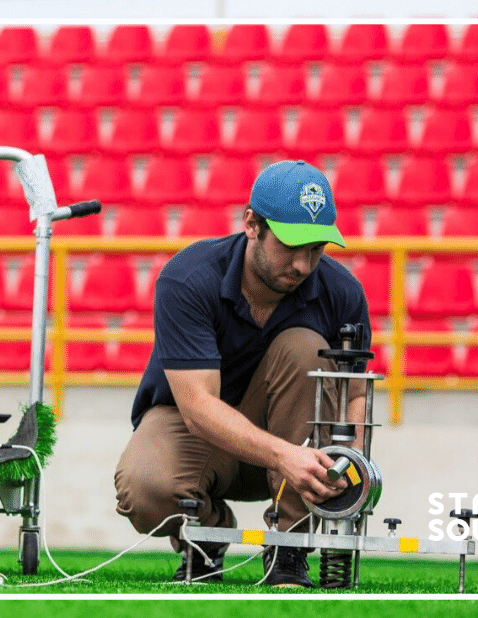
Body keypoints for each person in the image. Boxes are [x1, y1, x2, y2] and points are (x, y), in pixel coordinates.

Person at [114, 160, 372, 587]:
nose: (304, 265)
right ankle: (206, 537)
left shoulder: (342, 292)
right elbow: (197, 408)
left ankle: (289, 548)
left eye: (317, 248)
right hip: (197, 432)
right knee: (144, 488)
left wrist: (351, 464)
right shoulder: (188, 279)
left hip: (292, 450)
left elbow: (356, 393)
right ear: (252, 224)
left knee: (306, 347)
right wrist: (283, 455)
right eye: (291, 246)